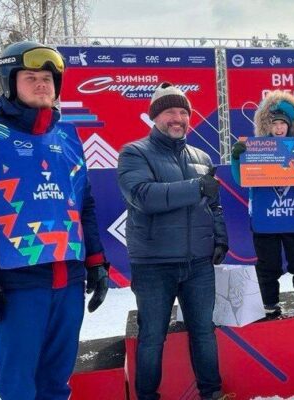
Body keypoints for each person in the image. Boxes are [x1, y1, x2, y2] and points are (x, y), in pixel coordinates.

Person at [0, 41, 110, 400]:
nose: (42, 85)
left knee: (56, 383)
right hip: (17, 286)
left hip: (67, 283)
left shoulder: (68, 138)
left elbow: (83, 205)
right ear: (9, 82)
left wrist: (96, 261)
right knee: (15, 387)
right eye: (31, 77)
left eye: (49, 79)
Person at [117, 82, 229, 400]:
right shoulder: (134, 152)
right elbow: (143, 196)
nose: (177, 117)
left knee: (204, 332)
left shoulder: (202, 155)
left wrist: (219, 238)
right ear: (155, 116)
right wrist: (196, 187)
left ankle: (212, 393)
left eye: (183, 111)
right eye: (169, 111)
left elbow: (214, 205)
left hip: (198, 263)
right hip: (154, 265)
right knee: (152, 336)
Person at [230, 90, 294, 317]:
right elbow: (241, 178)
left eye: (283, 124)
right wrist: (237, 158)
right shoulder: (256, 149)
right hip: (265, 221)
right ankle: (269, 302)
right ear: (266, 125)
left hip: (292, 219)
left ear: (291, 126)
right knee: (268, 265)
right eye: (275, 123)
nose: (279, 128)